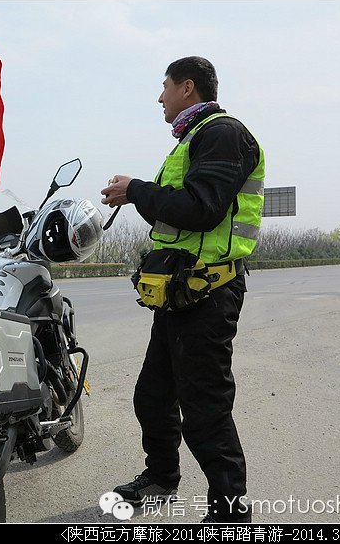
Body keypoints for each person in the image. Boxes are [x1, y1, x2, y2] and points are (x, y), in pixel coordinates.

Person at [100, 56, 264, 523]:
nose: (160, 97)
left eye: (164, 87)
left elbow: (203, 208)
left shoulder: (222, 133)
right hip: (180, 293)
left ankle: (229, 515)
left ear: (187, 87)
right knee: (151, 397)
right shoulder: (191, 140)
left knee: (206, 412)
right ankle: (161, 478)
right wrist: (136, 195)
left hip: (211, 293)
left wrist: (137, 190)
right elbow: (175, 216)